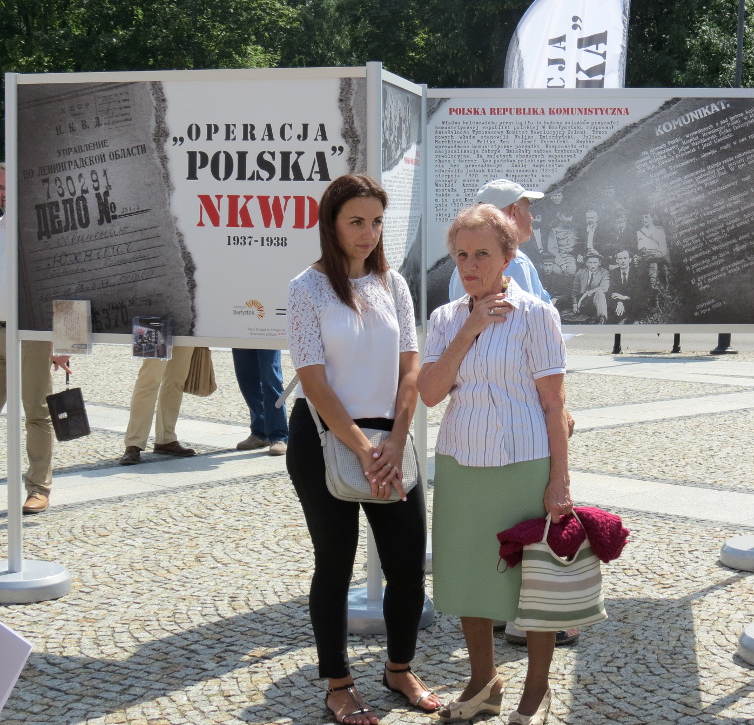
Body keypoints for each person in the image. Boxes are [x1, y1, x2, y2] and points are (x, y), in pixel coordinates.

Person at [286, 174, 438, 725]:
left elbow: (411, 368)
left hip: (389, 440)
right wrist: (363, 448)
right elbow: (313, 380)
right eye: (356, 221)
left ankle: (399, 669)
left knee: (407, 567)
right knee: (334, 565)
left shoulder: (392, 283)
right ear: (330, 223)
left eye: (376, 221)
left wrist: (395, 440)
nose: (368, 232)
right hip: (323, 438)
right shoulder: (306, 288)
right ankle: (338, 685)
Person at [420, 203, 573, 725]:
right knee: (470, 575)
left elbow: (554, 404)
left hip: (524, 462)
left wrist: (559, 479)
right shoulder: (445, 319)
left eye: (482, 253)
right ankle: (483, 683)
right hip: (462, 462)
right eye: (462, 254)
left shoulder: (536, 315)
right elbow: (430, 394)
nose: (470, 265)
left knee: (534, 582)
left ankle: (537, 688)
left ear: (508, 257)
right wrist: (470, 328)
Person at [0, 162, 71, 514]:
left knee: (37, 412)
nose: (2, 194)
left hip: (32, 332)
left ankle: (39, 487)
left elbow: (63, 288)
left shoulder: (45, 231)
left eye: (6, 187)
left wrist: (63, 344)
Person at [448, 179, 548, 303]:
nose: (531, 217)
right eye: (527, 210)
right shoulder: (515, 261)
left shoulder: (461, 268)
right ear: (514, 212)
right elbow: (526, 312)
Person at [120, 345, 197, 465]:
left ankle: (166, 439)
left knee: (176, 381)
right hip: (156, 332)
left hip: (187, 333)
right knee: (148, 381)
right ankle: (134, 443)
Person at [232, 348, 288, 455]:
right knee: (245, 376)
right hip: (240, 337)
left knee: (270, 376)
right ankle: (259, 432)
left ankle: (279, 436)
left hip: (269, 337)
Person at [608, 249, 647, 323]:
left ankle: (631, 318)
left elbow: (639, 292)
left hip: (633, 301)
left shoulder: (638, 272)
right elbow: (612, 290)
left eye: (625, 258)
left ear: (630, 260)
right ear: (617, 261)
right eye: (620, 259)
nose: (623, 261)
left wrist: (625, 297)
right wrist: (619, 301)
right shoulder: (613, 273)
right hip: (619, 303)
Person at [572, 254, 610, 324]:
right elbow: (575, 290)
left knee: (600, 293)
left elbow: (604, 288)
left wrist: (587, 293)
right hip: (583, 303)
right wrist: (575, 303)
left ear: (599, 263)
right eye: (590, 262)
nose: (592, 265)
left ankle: (602, 318)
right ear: (586, 264)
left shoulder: (604, 272)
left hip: (596, 302)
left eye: (595, 262)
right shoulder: (580, 273)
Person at [636, 212, 670, 290]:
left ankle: (665, 286)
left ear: (652, 218)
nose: (644, 220)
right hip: (646, 257)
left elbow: (663, 246)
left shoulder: (660, 231)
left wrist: (658, 253)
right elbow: (641, 247)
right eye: (642, 218)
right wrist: (650, 252)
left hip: (659, 256)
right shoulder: (639, 232)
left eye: (646, 217)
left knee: (663, 266)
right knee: (653, 263)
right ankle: (653, 284)